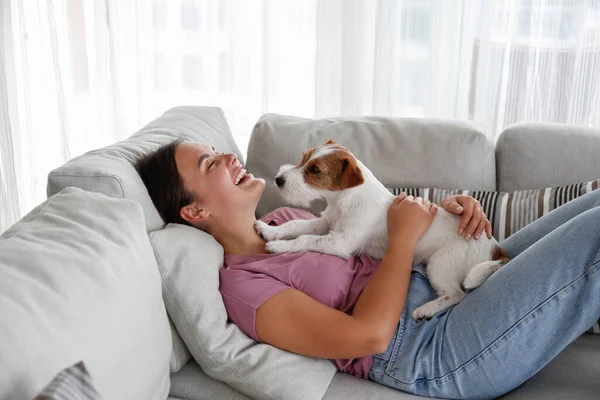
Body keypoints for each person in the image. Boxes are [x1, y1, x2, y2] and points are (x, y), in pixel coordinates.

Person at [136, 138, 600, 399]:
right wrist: (403, 237)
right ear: (195, 212)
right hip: (433, 347)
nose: (231, 157)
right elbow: (370, 337)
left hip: (435, 271)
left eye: (221, 150)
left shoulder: (284, 221)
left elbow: (370, 229)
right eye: (210, 163)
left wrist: (441, 218)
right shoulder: (244, 289)